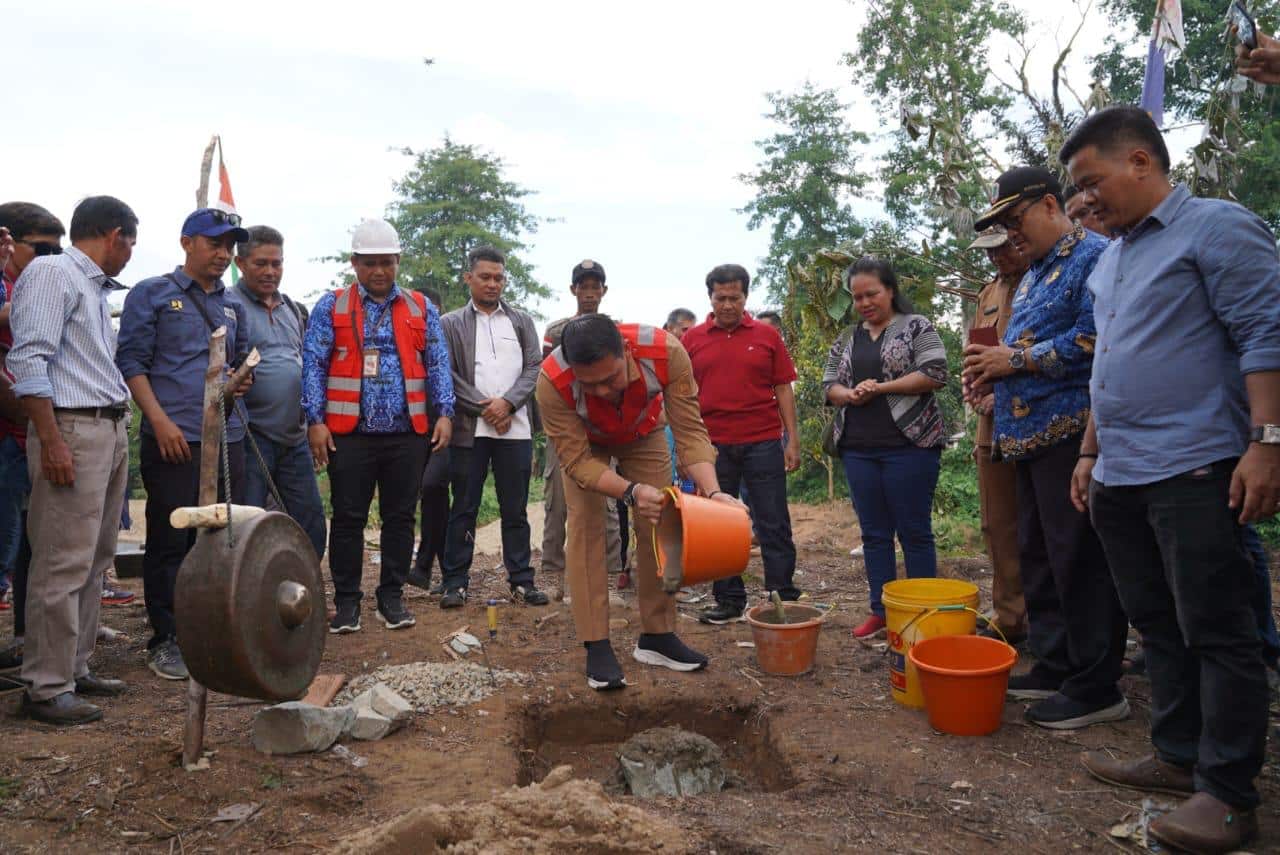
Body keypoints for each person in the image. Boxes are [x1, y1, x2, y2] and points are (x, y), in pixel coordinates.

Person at [1061, 105, 1279, 853]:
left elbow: (1264, 330)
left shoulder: (1217, 228)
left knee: (1219, 627)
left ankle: (1227, 793)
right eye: (1077, 191)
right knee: (1156, 620)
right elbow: (1108, 364)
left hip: (1197, 463)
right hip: (1122, 470)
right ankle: (1176, 752)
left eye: (1092, 183)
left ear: (1141, 163)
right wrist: (1089, 454)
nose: (1085, 201)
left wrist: (1267, 441)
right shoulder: (1114, 258)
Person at [963, 166, 1128, 731]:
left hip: (1071, 436)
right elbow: (1016, 346)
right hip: (1022, 438)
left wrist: (1016, 361)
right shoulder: (1034, 273)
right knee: (1035, 553)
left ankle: (1097, 683)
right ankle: (1056, 663)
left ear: (1051, 205)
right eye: (1002, 224)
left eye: (1015, 220)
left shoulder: (1097, 257)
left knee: (1078, 558)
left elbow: (1096, 339)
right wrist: (993, 373)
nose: (1010, 235)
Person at [536, 314, 738, 690]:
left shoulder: (666, 353)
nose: (601, 392)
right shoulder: (551, 381)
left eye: (611, 379)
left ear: (626, 352)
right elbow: (578, 463)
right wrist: (630, 492)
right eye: (589, 384)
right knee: (585, 526)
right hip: (586, 444)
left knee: (662, 520)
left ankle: (657, 635)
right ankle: (596, 643)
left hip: (644, 431)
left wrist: (713, 492)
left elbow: (690, 431)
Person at [8, 196, 137, 724]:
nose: (130, 252)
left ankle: (74, 668)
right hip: (72, 425)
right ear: (114, 235)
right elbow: (27, 356)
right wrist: (51, 438)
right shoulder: (53, 273)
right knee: (62, 559)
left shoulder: (87, 285)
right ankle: (45, 686)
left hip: (103, 424)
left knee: (94, 556)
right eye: (130, 241)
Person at [116, 208, 254, 681]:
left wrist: (240, 383)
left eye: (230, 245)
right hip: (175, 440)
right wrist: (159, 421)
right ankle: (167, 637)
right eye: (214, 243)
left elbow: (238, 364)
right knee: (171, 540)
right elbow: (131, 362)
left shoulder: (233, 303)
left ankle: (210, 628)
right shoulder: (152, 294)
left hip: (228, 437)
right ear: (186, 243)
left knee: (219, 538)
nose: (223, 254)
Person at [302, 219, 453, 634]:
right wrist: (315, 420)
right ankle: (347, 602)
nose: (379, 271)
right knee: (348, 518)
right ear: (354, 263)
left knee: (401, 518)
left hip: (408, 433)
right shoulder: (330, 307)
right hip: (350, 434)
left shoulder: (422, 307)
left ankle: (391, 597)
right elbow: (313, 365)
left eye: (386, 262)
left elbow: (438, 364)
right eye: (370, 263)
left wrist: (445, 413)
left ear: (398, 261)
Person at [823, 258, 947, 638]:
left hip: (910, 446)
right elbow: (829, 383)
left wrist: (881, 387)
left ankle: (923, 611)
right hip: (859, 447)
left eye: (871, 293)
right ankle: (881, 610)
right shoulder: (847, 337)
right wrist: (849, 394)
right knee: (874, 534)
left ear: (891, 290)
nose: (864, 302)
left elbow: (935, 372)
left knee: (914, 531)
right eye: (857, 297)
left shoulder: (917, 327)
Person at [683, 264, 800, 624]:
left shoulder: (766, 336)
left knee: (773, 520)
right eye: (721, 298)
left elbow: (783, 388)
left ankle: (782, 594)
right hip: (713, 447)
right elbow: (682, 396)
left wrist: (791, 439)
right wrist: (685, 450)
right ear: (710, 298)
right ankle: (729, 599)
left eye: (735, 297)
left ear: (746, 297)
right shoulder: (693, 339)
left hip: (763, 442)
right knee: (718, 526)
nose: (728, 305)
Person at [438, 246, 547, 608]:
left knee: (514, 509)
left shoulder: (521, 321)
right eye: (485, 276)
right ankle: (455, 582)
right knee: (464, 507)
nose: (492, 283)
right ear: (468, 278)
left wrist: (508, 404)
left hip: (514, 430)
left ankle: (521, 580)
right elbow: (447, 375)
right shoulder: (450, 323)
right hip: (471, 430)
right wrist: (486, 409)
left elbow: (534, 367)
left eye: (498, 277)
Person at [233, 226, 327, 559]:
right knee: (250, 523)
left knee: (311, 520)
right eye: (261, 263)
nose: (270, 271)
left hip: (294, 436)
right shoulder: (230, 305)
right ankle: (249, 601)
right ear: (240, 263)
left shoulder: (291, 308)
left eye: (277, 263)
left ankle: (308, 594)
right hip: (251, 436)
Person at [0, 203, 64, 641]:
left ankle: (25, 637)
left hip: (27, 434)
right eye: (41, 250)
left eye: (56, 254)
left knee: (23, 545)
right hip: (9, 431)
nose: (49, 262)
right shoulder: (9, 286)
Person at [539, 260, 623, 590]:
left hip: (603, 427)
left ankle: (613, 574)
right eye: (583, 287)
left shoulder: (613, 330)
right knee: (556, 502)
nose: (589, 293)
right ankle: (553, 576)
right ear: (573, 289)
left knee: (609, 502)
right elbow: (545, 376)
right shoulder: (556, 331)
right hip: (563, 425)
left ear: (603, 290)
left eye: (595, 286)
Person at [964, 227, 1028, 645]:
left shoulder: (1044, 284)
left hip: (1037, 419)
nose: (997, 258)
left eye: (1003, 248)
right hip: (992, 425)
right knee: (997, 522)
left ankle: (1049, 617)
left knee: (1042, 525)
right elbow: (977, 350)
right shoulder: (989, 293)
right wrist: (974, 387)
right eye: (989, 252)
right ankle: (1010, 615)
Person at [408, 288, 450, 594]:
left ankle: (434, 568)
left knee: (434, 487)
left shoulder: (444, 340)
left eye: (431, 310)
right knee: (418, 497)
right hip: (409, 429)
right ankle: (423, 569)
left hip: (445, 427)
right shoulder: (400, 341)